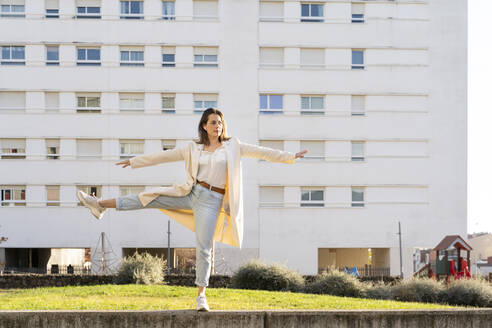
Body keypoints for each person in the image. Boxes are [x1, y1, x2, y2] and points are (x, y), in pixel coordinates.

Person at [77, 108, 308, 311]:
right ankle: (99, 205)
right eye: (213, 122)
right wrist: (136, 161)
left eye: (219, 122)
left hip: (212, 201)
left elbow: (262, 152)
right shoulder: (193, 148)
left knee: (204, 248)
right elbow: (164, 156)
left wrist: (289, 157)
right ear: (204, 126)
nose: (217, 126)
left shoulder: (233, 146)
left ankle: (201, 296)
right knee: (150, 197)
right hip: (189, 193)